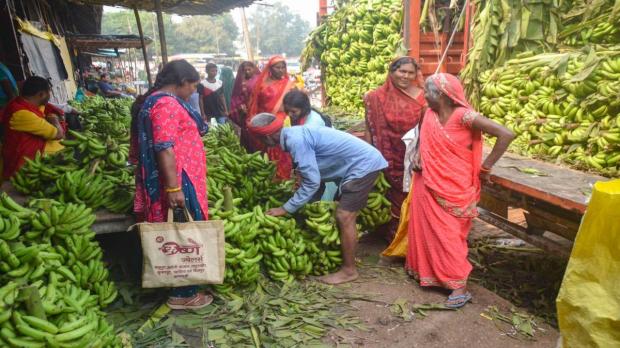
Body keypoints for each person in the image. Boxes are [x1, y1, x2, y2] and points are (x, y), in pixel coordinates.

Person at [407, 73, 515, 308]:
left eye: (428, 91)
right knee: (428, 229)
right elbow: (420, 139)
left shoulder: (463, 116)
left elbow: (506, 134)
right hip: (425, 181)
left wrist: (486, 166)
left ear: (443, 95)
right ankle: (430, 274)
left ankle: (458, 286)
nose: (424, 95)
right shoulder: (428, 114)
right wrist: (417, 155)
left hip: (454, 184)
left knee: (449, 234)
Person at [249, 113, 388, 284]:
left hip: (363, 165)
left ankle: (349, 271)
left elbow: (312, 182)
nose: (261, 144)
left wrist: (285, 208)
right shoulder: (295, 134)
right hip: (357, 164)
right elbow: (316, 178)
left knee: (344, 215)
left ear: (267, 136)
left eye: (260, 139)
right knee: (342, 212)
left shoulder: (296, 140)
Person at [129, 60, 212, 310]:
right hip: (179, 178)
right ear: (182, 83)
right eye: (193, 87)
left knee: (177, 231)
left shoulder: (154, 101)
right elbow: (164, 146)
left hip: (179, 176)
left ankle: (179, 283)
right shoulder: (165, 104)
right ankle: (183, 294)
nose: (194, 92)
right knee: (183, 233)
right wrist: (174, 188)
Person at [364, 57, 426, 240]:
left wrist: (421, 154)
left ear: (416, 75)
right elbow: (370, 128)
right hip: (385, 155)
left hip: (412, 156)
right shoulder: (375, 97)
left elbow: (427, 129)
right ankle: (390, 236)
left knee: (411, 197)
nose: (406, 76)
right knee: (386, 195)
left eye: (410, 73)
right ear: (392, 72)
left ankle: (409, 239)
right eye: (401, 71)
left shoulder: (423, 97)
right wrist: (369, 155)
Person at [2, 76, 65, 179]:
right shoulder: (22, 113)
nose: (50, 96)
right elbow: (58, 134)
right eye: (49, 93)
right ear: (41, 94)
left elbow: (43, 109)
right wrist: (54, 120)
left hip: (32, 157)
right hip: (25, 167)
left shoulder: (23, 103)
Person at [246, 56, 296, 179]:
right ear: (270, 68)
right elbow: (254, 104)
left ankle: (283, 179)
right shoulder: (261, 85)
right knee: (265, 157)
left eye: (283, 67)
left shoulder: (289, 85)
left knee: (283, 152)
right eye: (277, 67)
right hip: (264, 125)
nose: (281, 70)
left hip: (282, 124)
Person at [229, 61, 258, 150]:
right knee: (248, 134)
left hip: (259, 110)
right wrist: (240, 107)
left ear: (254, 69)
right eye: (245, 70)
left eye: (250, 69)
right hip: (246, 113)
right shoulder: (241, 82)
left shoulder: (260, 79)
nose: (247, 72)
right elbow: (236, 97)